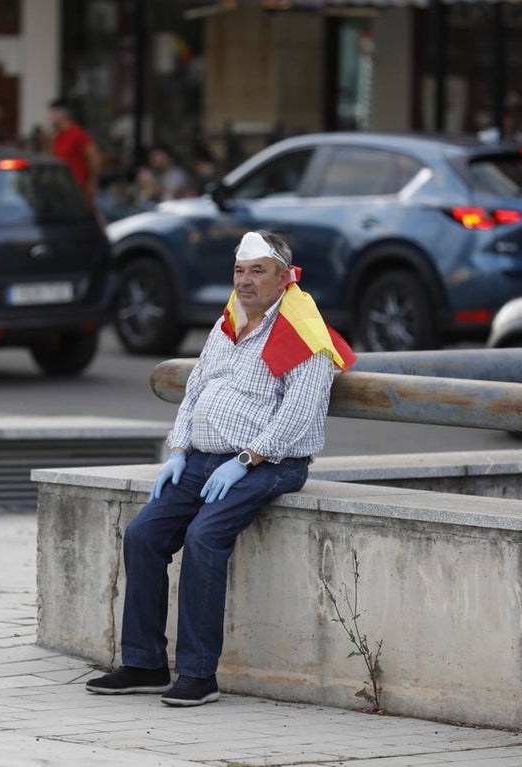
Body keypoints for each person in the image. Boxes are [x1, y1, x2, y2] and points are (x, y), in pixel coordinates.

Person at [85, 230, 354, 707]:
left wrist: (247, 459)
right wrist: (179, 450)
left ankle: (197, 674)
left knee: (204, 537)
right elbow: (196, 390)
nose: (245, 281)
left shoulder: (302, 331)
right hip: (203, 459)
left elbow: (299, 413)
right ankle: (144, 663)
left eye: (257, 271)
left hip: (270, 461)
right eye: (239, 271)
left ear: (284, 277)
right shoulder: (229, 323)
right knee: (144, 535)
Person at [48, 98, 100, 204]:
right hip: (61, 188)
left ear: (62, 114)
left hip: (78, 188)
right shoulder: (57, 136)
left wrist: (92, 182)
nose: (50, 117)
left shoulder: (77, 134)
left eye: (52, 113)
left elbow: (95, 157)